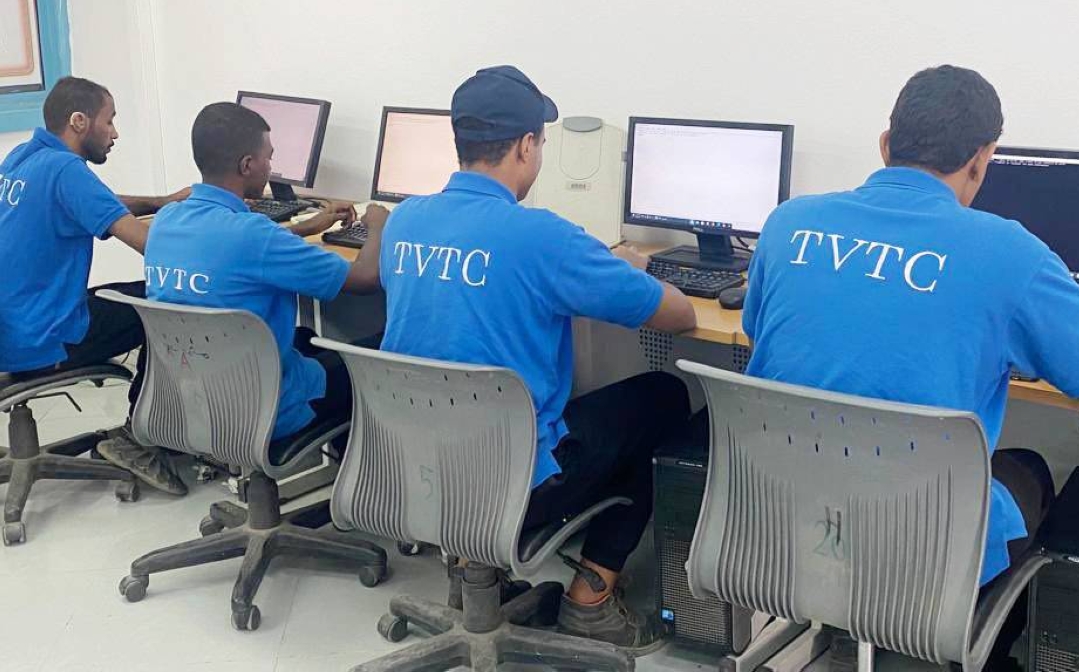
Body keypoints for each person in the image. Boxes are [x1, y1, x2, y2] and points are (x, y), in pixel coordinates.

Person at [742, 64, 1079, 668]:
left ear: (886, 144)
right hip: (919, 542)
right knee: (1028, 472)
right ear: (982, 161)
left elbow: (760, 336)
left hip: (785, 517)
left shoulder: (787, 223)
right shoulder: (1010, 254)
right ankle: (972, 651)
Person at [377, 65, 696, 653]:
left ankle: (472, 568)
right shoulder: (541, 237)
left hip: (413, 472)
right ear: (526, 146)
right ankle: (591, 599)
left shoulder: (404, 221)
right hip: (512, 484)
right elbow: (677, 316)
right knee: (664, 396)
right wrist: (632, 266)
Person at [142, 102, 388, 444]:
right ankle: (360, 469)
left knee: (305, 337)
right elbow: (365, 279)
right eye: (268, 158)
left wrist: (310, 226)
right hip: (268, 408)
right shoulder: (255, 235)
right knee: (378, 356)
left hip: (192, 401)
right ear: (247, 165)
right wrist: (378, 224)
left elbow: (240, 249)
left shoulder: (166, 221)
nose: (271, 168)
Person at [0, 77, 191, 494]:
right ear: (79, 121)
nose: (115, 133)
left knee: (133, 293)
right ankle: (137, 438)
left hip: (14, 327)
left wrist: (159, 202)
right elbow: (150, 246)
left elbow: (96, 200)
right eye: (110, 121)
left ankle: (159, 430)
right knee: (168, 305)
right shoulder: (67, 170)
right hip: (43, 339)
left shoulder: (24, 157)